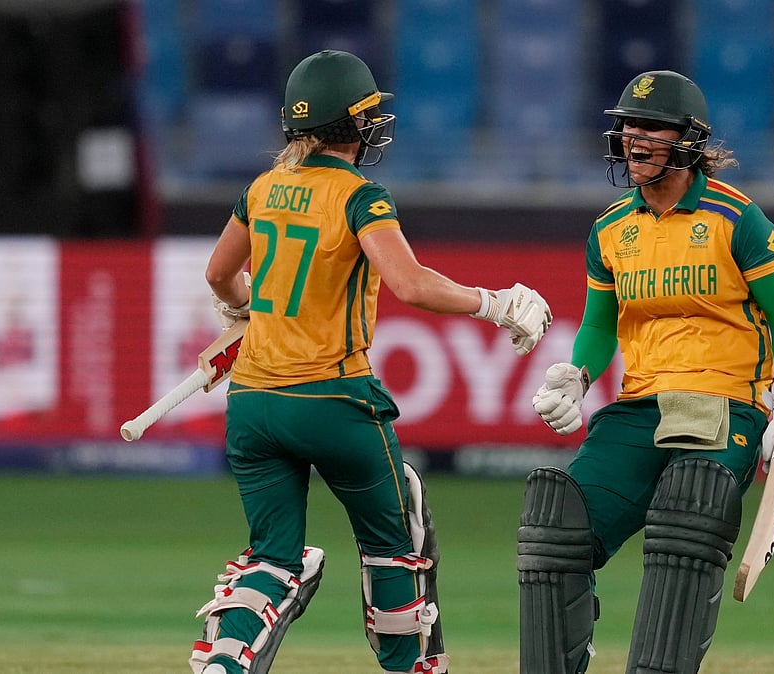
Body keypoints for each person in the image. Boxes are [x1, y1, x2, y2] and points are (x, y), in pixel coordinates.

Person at [189, 50, 552, 674]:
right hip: (335, 399)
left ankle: (224, 662)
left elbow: (220, 274)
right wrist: (493, 303)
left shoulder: (262, 188)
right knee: (394, 545)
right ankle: (409, 667)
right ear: (357, 122)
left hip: (252, 405)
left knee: (272, 559)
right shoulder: (360, 194)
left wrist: (246, 308)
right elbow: (410, 284)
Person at [519, 70, 774, 674]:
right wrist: (578, 374)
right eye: (628, 125)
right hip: (642, 403)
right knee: (556, 530)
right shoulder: (610, 228)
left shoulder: (738, 219)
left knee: (690, 510)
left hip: (726, 404)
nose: (635, 137)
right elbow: (601, 326)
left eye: (652, 127)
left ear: (687, 139)